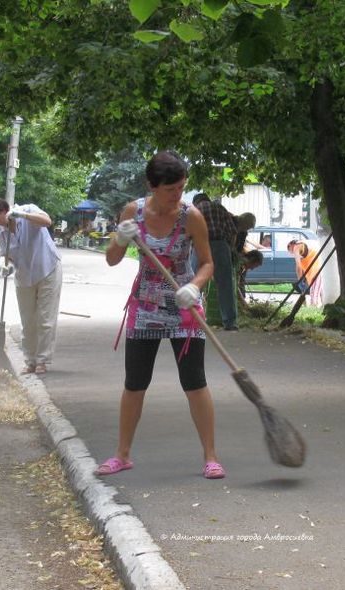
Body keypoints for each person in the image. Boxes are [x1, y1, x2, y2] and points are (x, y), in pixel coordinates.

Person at [96, 151, 225, 479]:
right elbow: (112, 259)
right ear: (152, 186)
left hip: (184, 305)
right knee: (135, 383)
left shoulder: (190, 216)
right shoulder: (133, 212)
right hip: (146, 306)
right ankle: (122, 455)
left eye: (181, 188)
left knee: (194, 382)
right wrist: (119, 238)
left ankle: (211, 456)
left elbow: (208, 262)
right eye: (171, 190)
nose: (177, 196)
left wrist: (194, 287)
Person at [0, 197, 62, 374]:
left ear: (4, 211)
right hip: (24, 276)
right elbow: (7, 255)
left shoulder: (28, 209)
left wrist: (23, 215)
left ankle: (42, 361)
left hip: (48, 268)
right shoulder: (1, 232)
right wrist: (5, 264)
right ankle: (30, 361)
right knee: (28, 320)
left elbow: (47, 221)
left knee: (45, 319)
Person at [192, 193, 239, 331]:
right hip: (221, 246)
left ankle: (193, 320)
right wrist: (229, 247)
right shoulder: (220, 208)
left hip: (200, 246)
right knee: (225, 285)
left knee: (196, 283)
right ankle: (230, 322)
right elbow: (232, 231)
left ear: (196, 202)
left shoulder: (194, 210)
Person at [287, 239, 322, 306]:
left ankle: (314, 310)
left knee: (314, 295)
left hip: (317, 272)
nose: (291, 253)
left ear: (292, 245)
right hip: (315, 272)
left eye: (289, 249)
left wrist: (300, 281)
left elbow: (298, 268)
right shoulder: (305, 247)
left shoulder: (297, 247)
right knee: (318, 293)